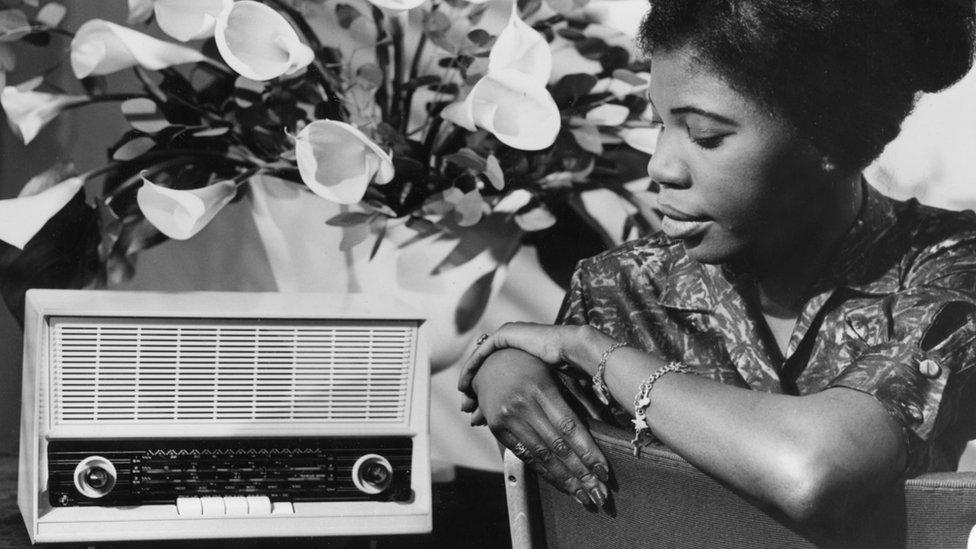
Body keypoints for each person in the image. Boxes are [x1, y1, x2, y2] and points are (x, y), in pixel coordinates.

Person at [457, 0, 976, 524]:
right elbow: (528, 399)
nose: (659, 166)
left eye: (705, 136)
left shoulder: (947, 265)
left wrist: (597, 352)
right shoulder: (618, 287)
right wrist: (507, 365)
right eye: (658, 123)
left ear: (832, 137)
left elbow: (811, 468)